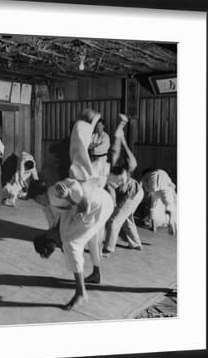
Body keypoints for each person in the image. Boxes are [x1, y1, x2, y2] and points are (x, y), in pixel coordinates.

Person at [32, 176, 113, 311]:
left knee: (72, 244)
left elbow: (82, 204)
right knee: (84, 240)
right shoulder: (60, 225)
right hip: (104, 199)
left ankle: (81, 293)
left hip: (98, 204)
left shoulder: (56, 212)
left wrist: (69, 197)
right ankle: (95, 274)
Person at [103, 115, 144, 255]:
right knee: (125, 218)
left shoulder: (117, 171)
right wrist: (121, 132)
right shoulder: (107, 173)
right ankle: (136, 244)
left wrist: (122, 136)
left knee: (114, 220)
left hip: (134, 192)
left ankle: (108, 249)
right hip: (130, 193)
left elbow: (128, 159)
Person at [141, 168, 177, 234]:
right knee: (169, 205)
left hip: (154, 189)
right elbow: (170, 183)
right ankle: (171, 220)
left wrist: (147, 194)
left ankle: (153, 225)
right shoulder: (163, 172)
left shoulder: (146, 175)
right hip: (166, 187)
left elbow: (144, 186)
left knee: (152, 207)